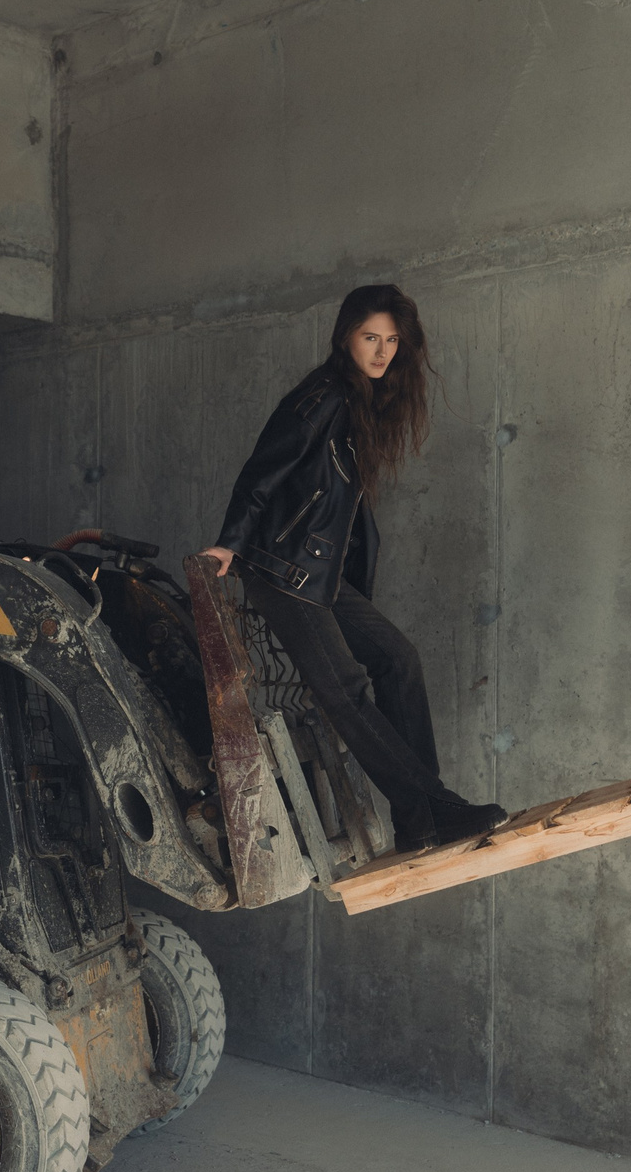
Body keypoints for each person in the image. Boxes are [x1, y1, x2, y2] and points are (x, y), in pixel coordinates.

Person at [198, 285, 505, 850]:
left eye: (391, 341)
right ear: (346, 337)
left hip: (321, 576)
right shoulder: (322, 398)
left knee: (398, 659)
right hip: (283, 572)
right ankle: (433, 810)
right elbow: (260, 473)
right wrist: (229, 544)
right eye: (371, 338)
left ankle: (421, 820)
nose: (383, 351)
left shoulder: (360, 399)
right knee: (346, 690)